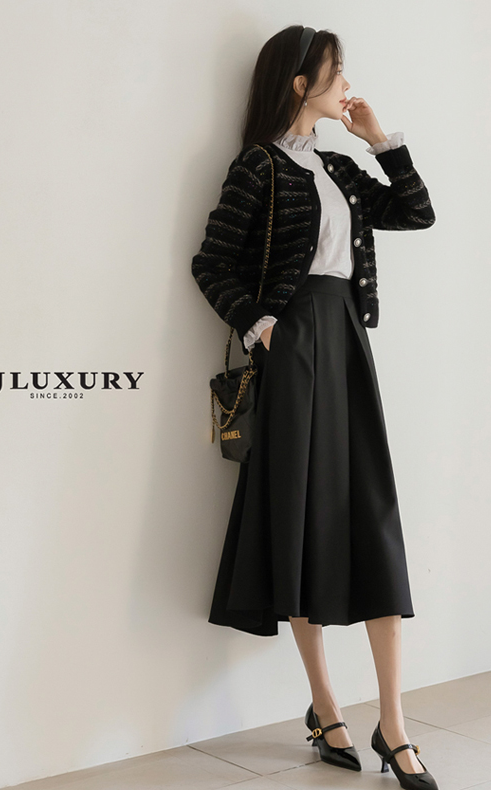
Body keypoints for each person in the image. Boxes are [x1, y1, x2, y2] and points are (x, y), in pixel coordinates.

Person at [191, 25, 437, 789]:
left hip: (347, 344)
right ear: (300, 84)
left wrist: (379, 140)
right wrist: (261, 327)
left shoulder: (339, 165)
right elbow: (211, 262)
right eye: (336, 73)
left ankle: (393, 724)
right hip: (294, 347)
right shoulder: (258, 166)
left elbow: (416, 212)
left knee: (372, 515)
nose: (347, 84)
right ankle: (326, 706)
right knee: (300, 515)